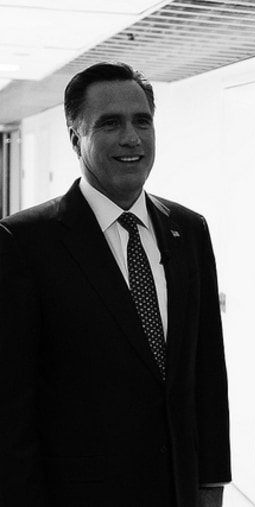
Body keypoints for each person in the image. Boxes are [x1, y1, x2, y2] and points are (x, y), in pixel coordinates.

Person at [0, 62, 231, 507]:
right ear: (75, 139)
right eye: (110, 124)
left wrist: (211, 482)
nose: (132, 138)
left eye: (142, 120)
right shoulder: (24, 242)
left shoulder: (188, 230)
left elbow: (206, 367)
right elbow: (10, 405)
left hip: (177, 490)